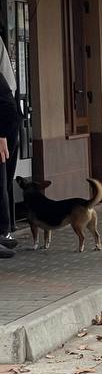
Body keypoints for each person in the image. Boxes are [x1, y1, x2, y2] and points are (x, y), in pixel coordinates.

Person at [0, 40, 19, 258]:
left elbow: (7, 104)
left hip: (5, 129)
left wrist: (2, 135)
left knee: (2, 181)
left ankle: (2, 233)